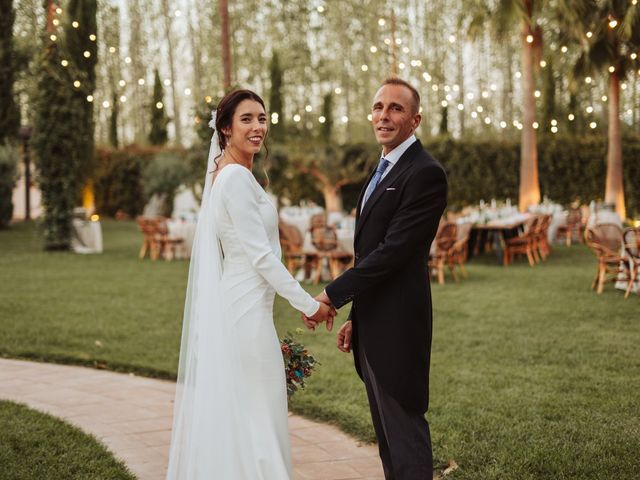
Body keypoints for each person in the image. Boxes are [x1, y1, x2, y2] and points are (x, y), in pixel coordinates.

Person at [166, 89, 335, 479]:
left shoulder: (226, 175)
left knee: (248, 416)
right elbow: (261, 258)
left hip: (244, 306)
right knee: (261, 418)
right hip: (245, 314)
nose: (258, 127)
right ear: (225, 128)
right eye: (247, 119)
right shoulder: (236, 178)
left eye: (261, 118)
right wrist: (309, 304)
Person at [311, 78, 448, 479]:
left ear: (415, 119)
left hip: (400, 326)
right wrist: (359, 316)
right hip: (374, 323)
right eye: (378, 107)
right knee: (388, 441)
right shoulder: (383, 165)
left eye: (395, 109)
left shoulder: (425, 173)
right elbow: (372, 252)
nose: (383, 116)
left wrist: (332, 295)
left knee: (405, 437)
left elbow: (393, 254)